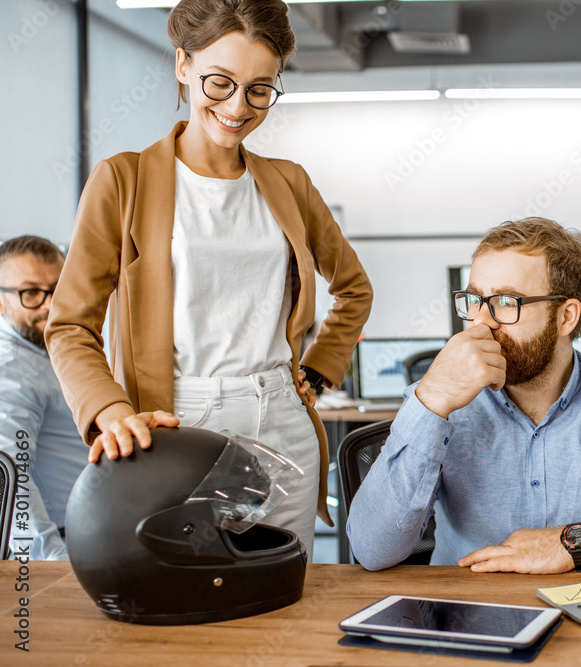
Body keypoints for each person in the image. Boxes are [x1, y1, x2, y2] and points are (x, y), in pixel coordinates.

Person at [45, 0, 372, 559]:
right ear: (182, 65)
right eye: (219, 83)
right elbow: (70, 325)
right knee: (190, 592)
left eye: (259, 89)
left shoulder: (288, 183)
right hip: (181, 416)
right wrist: (112, 411)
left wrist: (318, 373)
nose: (237, 107)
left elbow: (354, 289)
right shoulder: (122, 180)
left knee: (287, 586)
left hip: (283, 415)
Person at [347, 218, 581, 573]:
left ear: (566, 317)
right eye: (475, 299)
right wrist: (430, 401)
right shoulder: (441, 401)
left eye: (506, 302)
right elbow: (371, 550)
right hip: (468, 621)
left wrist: (575, 545)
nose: (480, 321)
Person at [0, 236, 89, 560]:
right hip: (62, 549)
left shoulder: (45, 351)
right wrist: (51, 562)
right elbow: (10, 475)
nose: (49, 304)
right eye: (31, 293)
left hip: (87, 536)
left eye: (57, 288)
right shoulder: (9, 368)